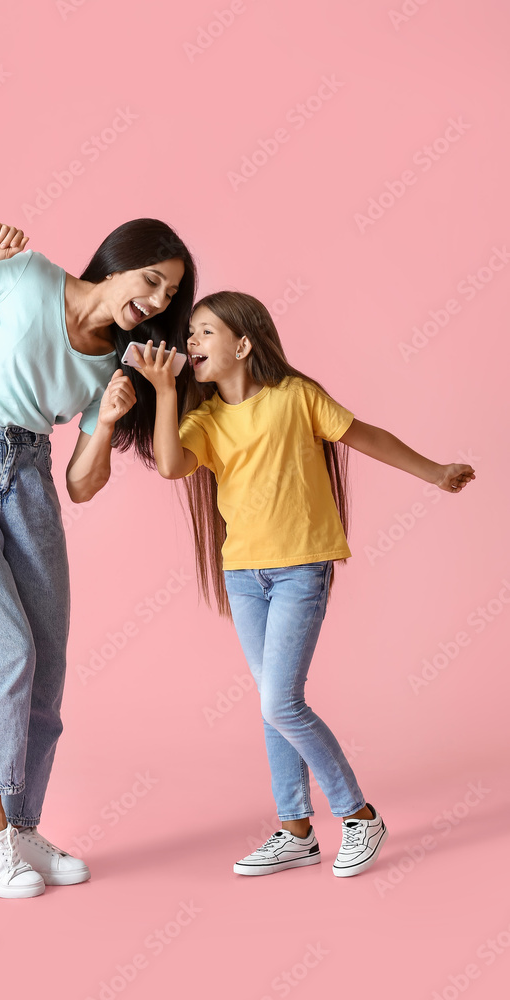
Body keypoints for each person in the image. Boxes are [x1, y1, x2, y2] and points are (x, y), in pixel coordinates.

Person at [131, 290, 475, 879]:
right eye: (188, 333)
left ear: (243, 344)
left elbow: (367, 436)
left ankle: (358, 814)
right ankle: (295, 829)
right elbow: (170, 466)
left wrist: (435, 472)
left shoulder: (297, 397)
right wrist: (164, 392)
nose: (190, 341)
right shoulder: (204, 420)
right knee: (274, 708)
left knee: (279, 702)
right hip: (243, 576)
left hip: (300, 569)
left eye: (204, 332)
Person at [0, 218, 196, 898]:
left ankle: (21, 825)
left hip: (28, 475)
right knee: (3, 650)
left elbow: (82, 484)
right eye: (151, 280)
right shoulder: (29, 275)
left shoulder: (110, 365)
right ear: (119, 263)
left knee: (48, 660)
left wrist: (113, 416)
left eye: (167, 296)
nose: (154, 302)